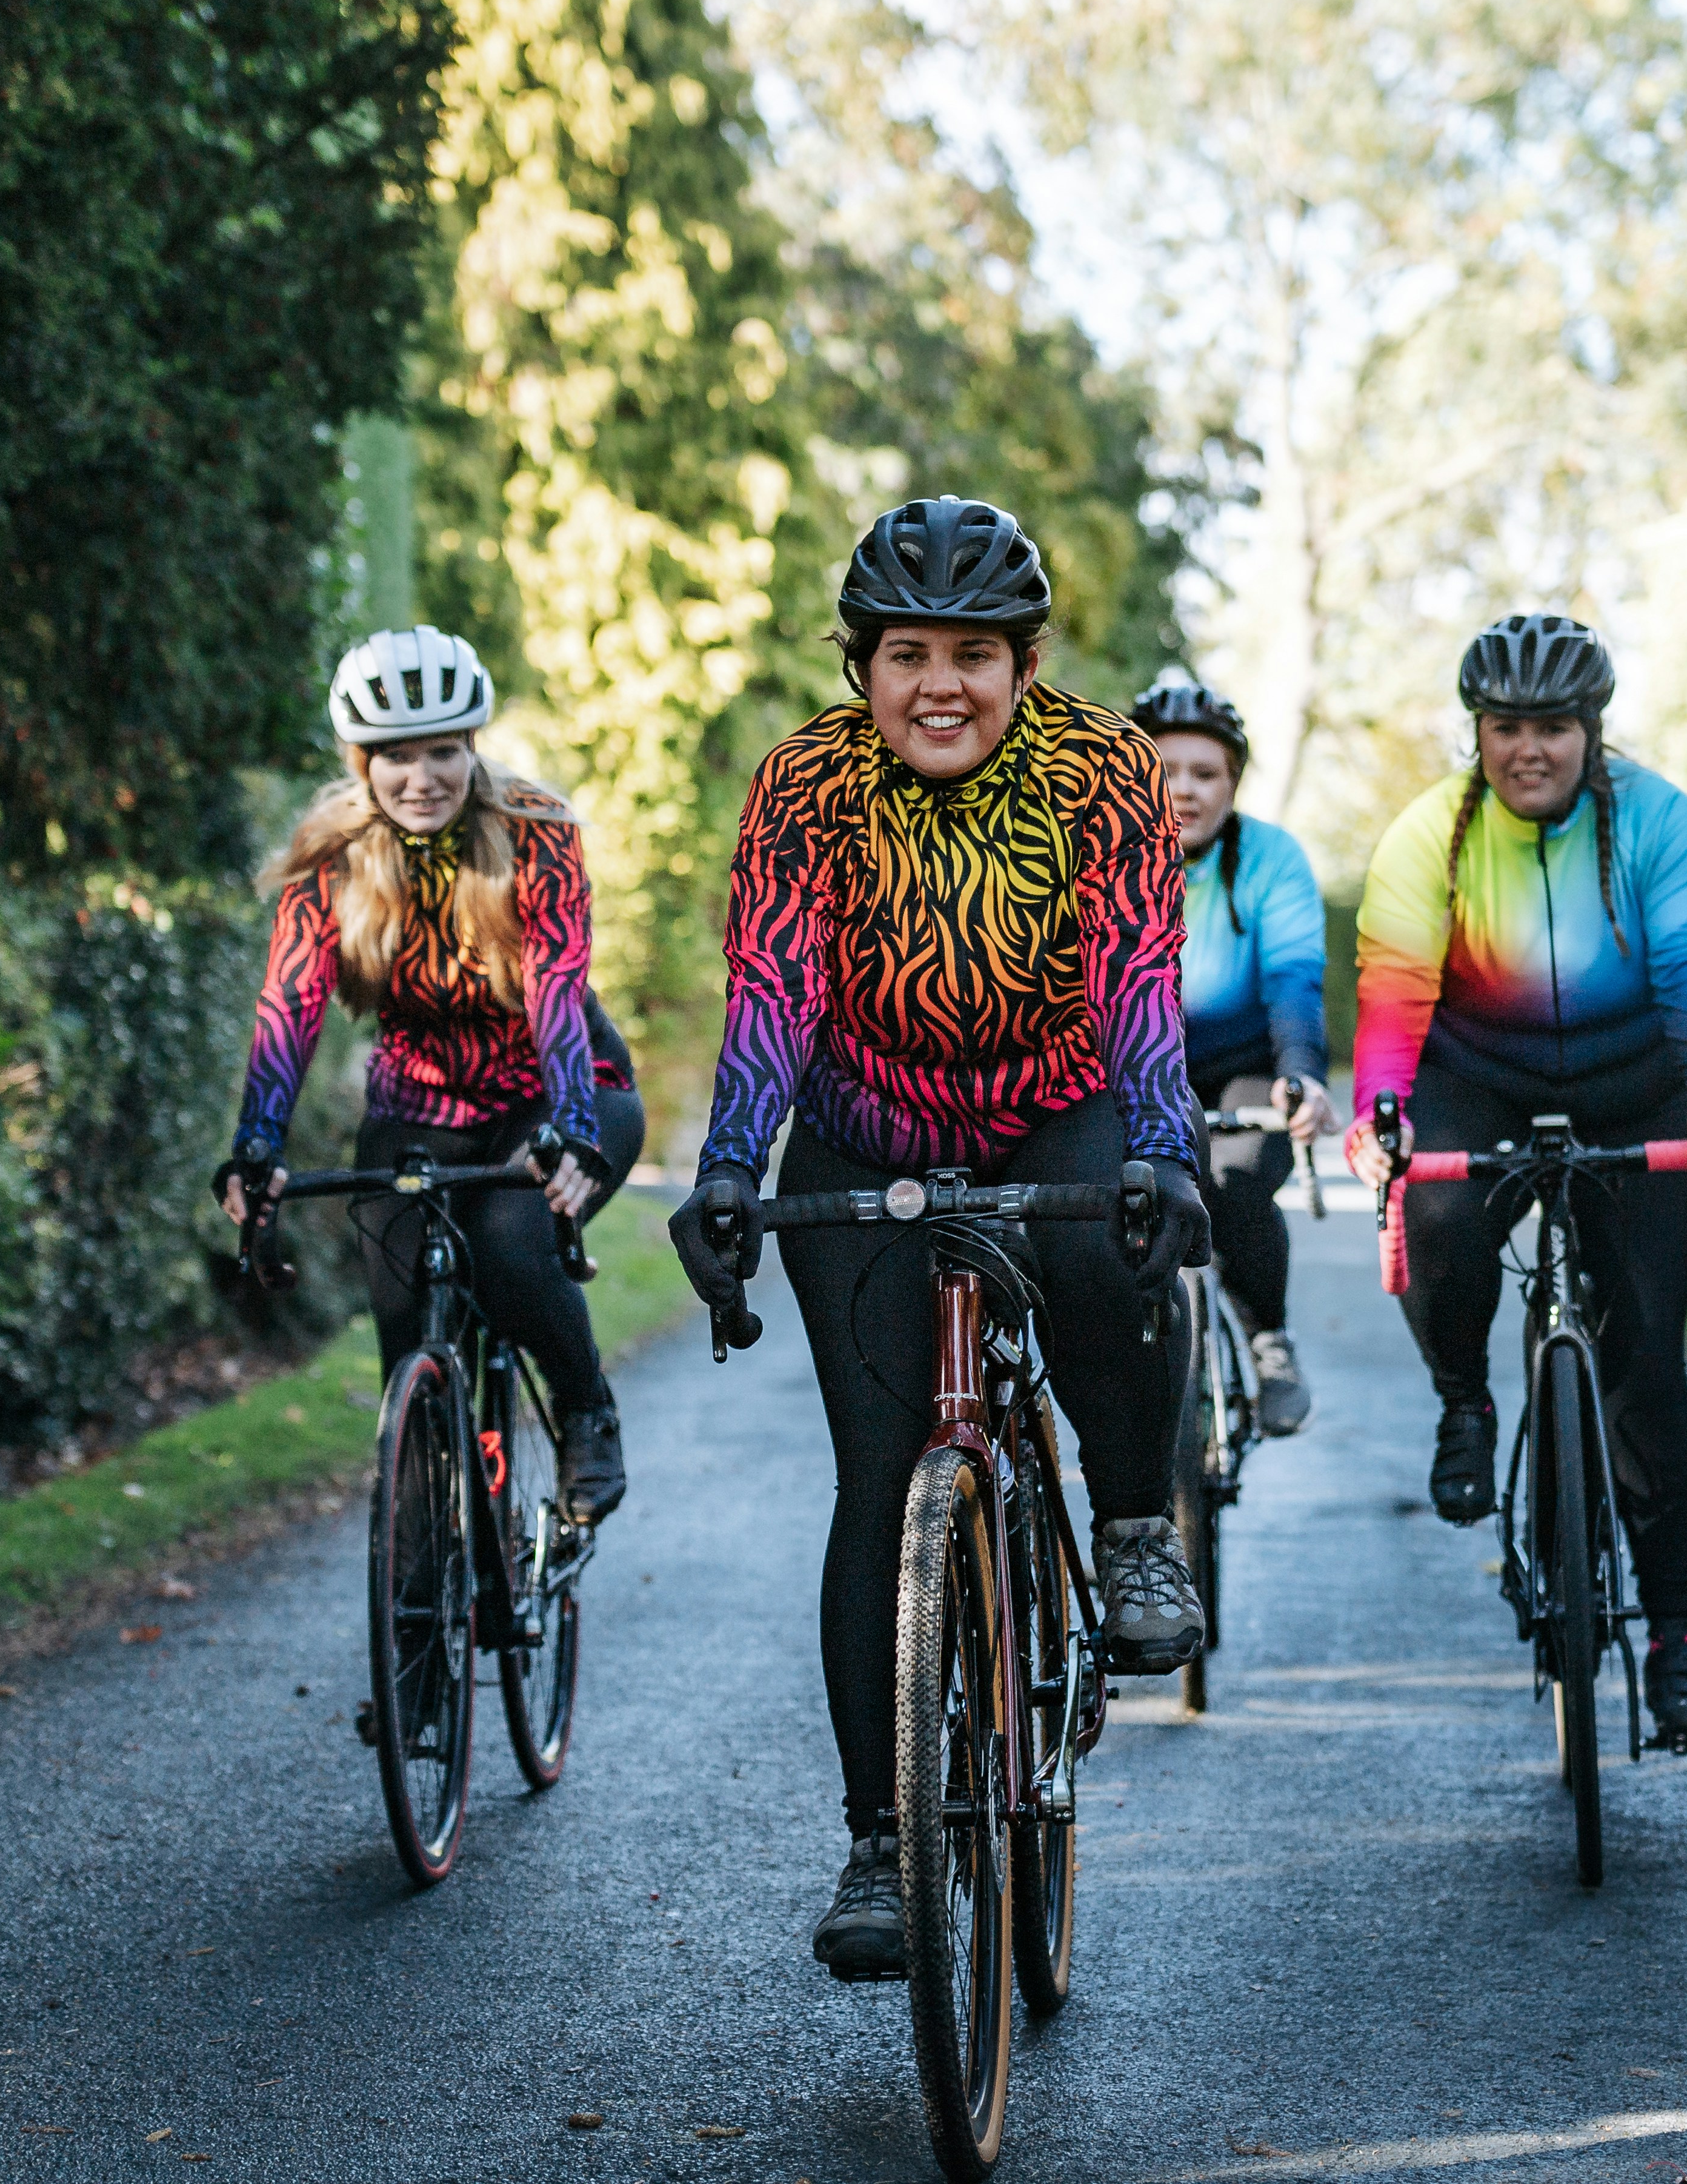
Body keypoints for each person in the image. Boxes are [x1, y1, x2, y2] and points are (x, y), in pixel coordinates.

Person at [666, 496, 1212, 1977]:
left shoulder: (1103, 768)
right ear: (863, 666)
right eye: (907, 654)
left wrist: (1162, 1148)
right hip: (868, 1123)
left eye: (974, 653)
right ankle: (882, 1845)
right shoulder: (806, 782)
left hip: (1057, 1105)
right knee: (876, 1478)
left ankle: (1133, 1526)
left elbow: (1139, 976)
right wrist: (729, 1165)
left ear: (1026, 662)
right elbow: (772, 987)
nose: (941, 686)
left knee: (1107, 1249)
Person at [1340, 614, 1687, 1748]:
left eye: (1554, 728)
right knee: (1435, 1206)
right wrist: (1380, 1114)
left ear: (1591, 732)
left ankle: (1672, 1641)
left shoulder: (1661, 823)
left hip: (1633, 1087)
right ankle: (1465, 1403)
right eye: (1506, 727)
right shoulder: (1432, 832)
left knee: (1647, 1369)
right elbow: (1393, 986)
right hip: (1477, 1077)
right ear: (1477, 731)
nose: (1529, 750)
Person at [218, 627, 644, 1525]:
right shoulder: (332, 858)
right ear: (362, 762)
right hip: (418, 1109)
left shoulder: (536, 830)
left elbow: (556, 986)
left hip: (560, 1092)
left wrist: (572, 1126)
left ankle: (586, 1412)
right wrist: (257, 1145)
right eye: (397, 756)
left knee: (511, 1246)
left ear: (473, 747)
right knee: (405, 1324)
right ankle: (419, 1568)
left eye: (443, 751)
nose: (423, 778)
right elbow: (290, 1003)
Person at [1128, 680, 1334, 1434]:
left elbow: (1294, 979)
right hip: (1134, 1067)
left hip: (1246, 1066)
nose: (1183, 789)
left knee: (1234, 1182)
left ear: (1234, 784)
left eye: (1205, 773)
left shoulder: (1272, 858)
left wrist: (1300, 1073)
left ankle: (1270, 1339)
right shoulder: (1097, 851)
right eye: (1164, 769)